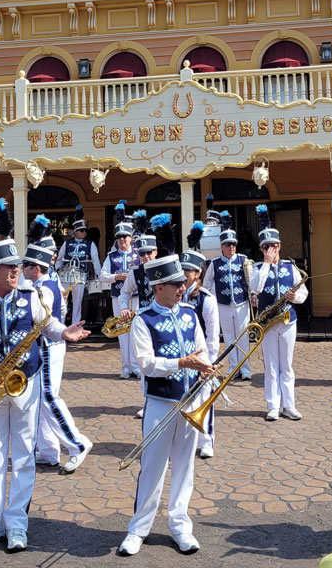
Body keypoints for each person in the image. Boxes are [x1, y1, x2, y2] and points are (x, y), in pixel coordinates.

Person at [0, 198, 89, 553]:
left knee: (25, 457)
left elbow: (49, 326)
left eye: (18, 266)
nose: (17, 271)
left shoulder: (32, 297)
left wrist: (65, 334)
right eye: (9, 267)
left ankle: (17, 524)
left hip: (25, 386)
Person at [117, 225, 214, 557]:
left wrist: (206, 368)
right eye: (176, 284)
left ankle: (180, 526)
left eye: (183, 283)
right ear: (159, 287)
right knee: (153, 468)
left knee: (185, 467)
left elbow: (201, 350)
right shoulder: (143, 320)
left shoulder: (189, 313)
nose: (182, 287)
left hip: (190, 402)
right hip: (160, 402)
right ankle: (138, 529)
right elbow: (145, 363)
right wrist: (182, 363)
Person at [22, 214, 93, 473]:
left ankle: (77, 444)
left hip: (49, 346)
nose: (22, 270)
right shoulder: (46, 281)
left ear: (35, 268)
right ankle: (49, 451)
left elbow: (44, 320)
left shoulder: (43, 287)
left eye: (25, 266)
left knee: (49, 397)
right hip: (48, 345)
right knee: (41, 399)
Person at [250, 206, 308, 421]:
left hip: (287, 320)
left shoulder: (290, 267)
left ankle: (289, 405)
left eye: (274, 246)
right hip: (267, 323)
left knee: (287, 365)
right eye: (266, 247)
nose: (271, 250)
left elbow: (303, 290)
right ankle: (273, 406)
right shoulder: (257, 267)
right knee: (271, 366)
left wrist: (297, 298)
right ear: (261, 249)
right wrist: (266, 264)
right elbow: (255, 286)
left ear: (280, 246)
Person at [180, 221, 220, 459]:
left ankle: (207, 440)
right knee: (185, 398)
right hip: (183, 355)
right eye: (183, 270)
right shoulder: (176, 295)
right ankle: (188, 439)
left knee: (205, 397)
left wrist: (210, 362)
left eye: (189, 271)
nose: (184, 274)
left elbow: (213, 335)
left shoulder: (206, 299)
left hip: (202, 355)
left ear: (198, 272)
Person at [201, 210, 252, 381]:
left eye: (233, 244)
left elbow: (251, 280)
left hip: (241, 303)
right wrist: (213, 299)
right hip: (223, 304)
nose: (231, 248)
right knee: (229, 337)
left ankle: (245, 368)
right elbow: (207, 284)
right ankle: (233, 367)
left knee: (243, 336)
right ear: (222, 246)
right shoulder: (215, 263)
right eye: (228, 244)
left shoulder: (243, 260)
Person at [100, 202, 139, 378]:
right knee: (122, 332)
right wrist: (116, 277)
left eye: (126, 236)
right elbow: (102, 275)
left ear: (131, 237)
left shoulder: (139, 254)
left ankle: (137, 366)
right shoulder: (111, 256)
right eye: (120, 237)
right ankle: (126, 367)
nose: (123, 239)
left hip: (136, 296)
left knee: (137, 331)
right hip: (118, 296)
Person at [56, 205, 102, 326]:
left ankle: (75, 325)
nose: (84, 233)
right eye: (81, 231)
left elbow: (95, 260)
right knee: (63, 300)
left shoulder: (90, 244)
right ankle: (60, 326)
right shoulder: (67, 243)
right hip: (65, 275)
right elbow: (59, 258)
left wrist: (98, 274)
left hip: (81, 276)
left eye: (85, 230)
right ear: (75, 232)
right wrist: (57, 269)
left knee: (77, 301)